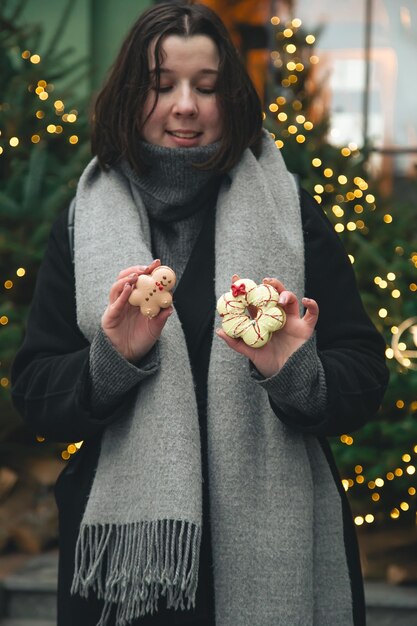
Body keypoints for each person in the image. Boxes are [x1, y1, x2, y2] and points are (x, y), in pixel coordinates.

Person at [11, 2, 389, 625]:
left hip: (276, 549)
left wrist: (295, 369)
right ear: (132, 96)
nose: (185, 105)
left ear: (230, 99)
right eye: (162, 86)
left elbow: (366, 378)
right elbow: (35, 392)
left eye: (206, 87)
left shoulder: (290, 214)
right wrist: (112, 362)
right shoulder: (82, 223)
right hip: (132, 572)